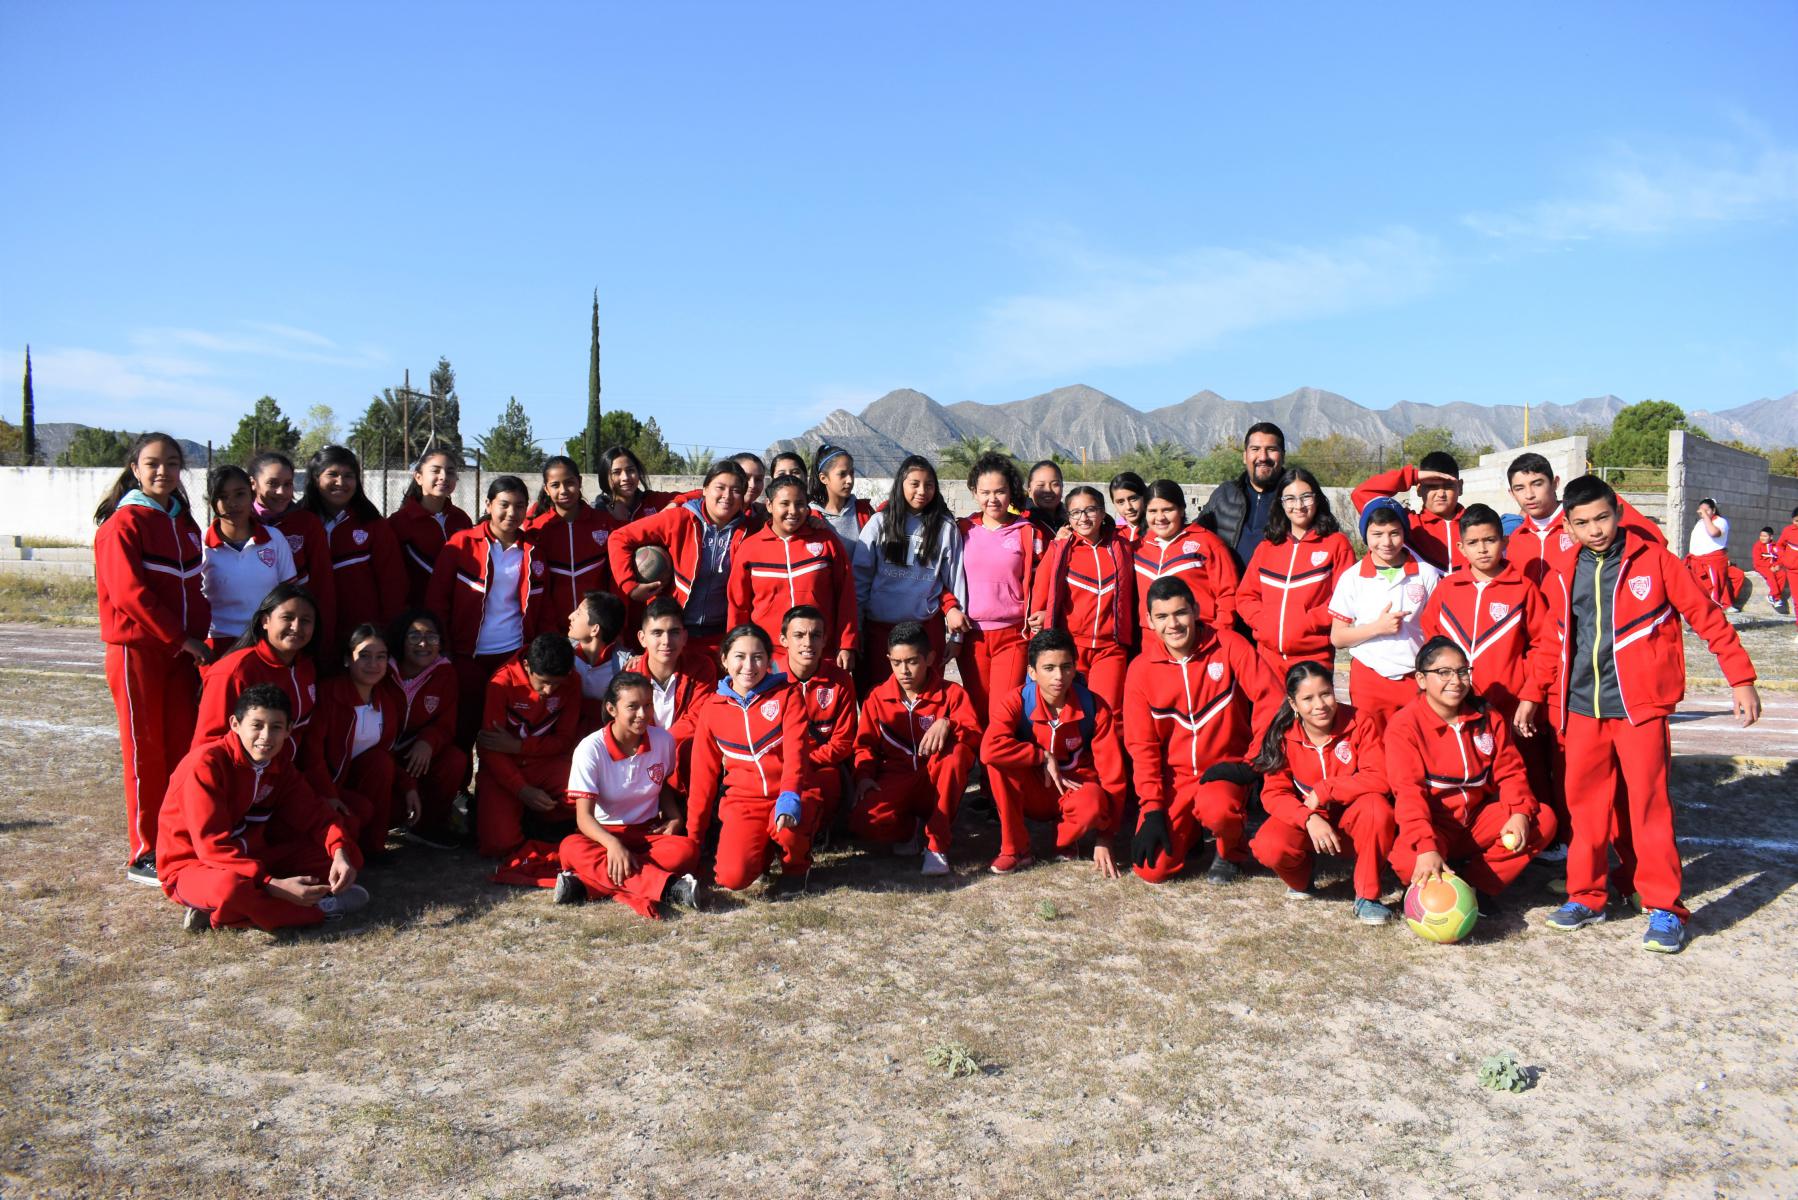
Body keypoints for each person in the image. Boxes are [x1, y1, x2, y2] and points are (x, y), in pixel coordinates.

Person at [1540, 476, 1760, 953]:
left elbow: (1708, 617)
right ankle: (1587, 895)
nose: (1594, 530)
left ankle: (1664, 908)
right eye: (1582, 523)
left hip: (1640, 708)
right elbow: (1552, 639)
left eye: (1601, 517)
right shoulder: (1562, 568)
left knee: (1649, 807)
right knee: (1586, 810)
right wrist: (1533, 696)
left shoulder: (1655, 560)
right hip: (1581, 709)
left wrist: (1740, 678)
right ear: (1568, 525)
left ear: (1617, 511)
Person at [94, 432, 210, 883]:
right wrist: (180, 638)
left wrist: (194, 641)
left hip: (183, 653)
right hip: (139, 652)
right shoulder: (122, 524)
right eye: (153, 463)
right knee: (145, 752)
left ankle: (177, 837)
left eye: (173, 463)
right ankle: (145, 850)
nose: (163, 471)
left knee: (181, 748)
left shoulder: (184, 523)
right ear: (135, 469)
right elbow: (129, 595)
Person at [158, 684, 367, 932]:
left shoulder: (279, 765)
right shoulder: (205, 765)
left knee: (346, 854)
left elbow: (316, 815)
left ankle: (239, 908)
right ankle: (314, 910)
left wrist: (339, 852)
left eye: (276, 727)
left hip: (254, 857)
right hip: (196, 865)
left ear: (289, 730)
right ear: (235, 724)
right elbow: (211, 847)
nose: (266, 736)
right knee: (231, 888)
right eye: (256, 725)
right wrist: (272, 883)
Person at [1416, 504, 1560, 841]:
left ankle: (1538, 841)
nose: (1483, 549)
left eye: (1490, 540)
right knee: (1467, 773)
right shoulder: (1448, 588)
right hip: (1458, 707)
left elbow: (1546, 646)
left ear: (1504, 541)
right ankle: (1469, 840)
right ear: (1461, 547)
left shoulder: (1523, 589)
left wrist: (1530, 695)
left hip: (1509, 706)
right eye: (1474, 542)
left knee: (1522, 774)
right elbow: (1431, 638)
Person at [1123, 578, 1280, 885]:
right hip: (1176, 780)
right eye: (1162, 617)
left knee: (1218, 809)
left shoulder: (1229, 644)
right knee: (1152, 870)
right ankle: (1191, 834)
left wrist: (1252, 763)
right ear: (1149, 621)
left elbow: (1271, 698)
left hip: (1223, 773)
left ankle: (1230, 851)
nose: (1173, 624)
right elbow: (1141, 745)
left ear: (1195, 610)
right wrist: (1153, 808)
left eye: (1180, 613)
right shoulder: (1141, 670)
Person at [1385, 638, 1554, 909]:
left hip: (1477, 821)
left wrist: (1519, 812)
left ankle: (1479, 885)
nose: (1456, 680)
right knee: (1407, 864)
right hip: (1435, 825)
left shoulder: (1488, 716)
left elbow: (1511, 772)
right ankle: (1442, 867)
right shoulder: (1404, 726)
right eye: (1444, 672)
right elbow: (1408, 792)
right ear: (1421, 679)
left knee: (1541, 820)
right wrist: (1427, 846)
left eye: (1463, 671)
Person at [1248, 662, 1398, 924]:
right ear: (1294, 704)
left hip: (1353, 821)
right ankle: (1302, 879)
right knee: (1268, 845)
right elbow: (1274, 793)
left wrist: (1326, 789)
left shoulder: (1360, 721)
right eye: (1308, 698)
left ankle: (1367, 896)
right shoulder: (1282, 734)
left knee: (1377, 808)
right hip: (1310, 822)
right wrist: (1308, 818)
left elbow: (1380, 778)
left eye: (1326, 694)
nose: (1320, 705)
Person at [552, 671, 703, 919]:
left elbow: (661, 783)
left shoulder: (663, 740)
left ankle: (585, 885)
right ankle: (670, 888)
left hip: (647, 834)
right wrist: (612, 844)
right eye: (633, 707)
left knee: (686, 851)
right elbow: (584, 819)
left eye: (647, 705)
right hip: (601, 836)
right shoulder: (590, 749)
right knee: (570, 848)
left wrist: (675, 816)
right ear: (611, 709)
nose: (643, 714)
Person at [981, 629, 1128, 877]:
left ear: (1075, 667)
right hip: (1034, 787)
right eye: (1048, 668)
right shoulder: (1016, 701)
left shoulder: (1094, 706)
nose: (1059, 676)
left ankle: (1065, 838)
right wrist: (1040, 756)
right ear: (1032, 672)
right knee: (997, 764)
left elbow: (1113, 774)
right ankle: (1015, 849)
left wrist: (1106, 837)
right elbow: (988, 749)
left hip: (1073, 786)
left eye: (1066, 667)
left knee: (1092, 802)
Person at [685, 623, 813, 896]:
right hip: (743, 802)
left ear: (769, 660)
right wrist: (694, 839)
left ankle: (796, 867)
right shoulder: (712, 708)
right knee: (732, 878)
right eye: (739, 656)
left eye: (758, 657)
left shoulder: (788, 696)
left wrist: (789, 799)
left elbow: (796, 756)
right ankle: (763, 852)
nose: (748, 665)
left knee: (789, 828)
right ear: (724, 660)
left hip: (788, 793)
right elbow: (702, 778)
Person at [850, 620, 980, 875]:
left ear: (930, 658)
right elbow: (864, 745)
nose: (904, 671)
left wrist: (949, 723)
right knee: (863, 821)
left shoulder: (952, 694)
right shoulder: (877, 697)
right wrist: (863, 776)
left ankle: (936, 845)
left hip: (936, 780)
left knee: (956, 755)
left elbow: (975, 736)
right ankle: (909, 830)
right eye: (896, 663)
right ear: (888, 659)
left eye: (912, 661)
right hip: (896, 778)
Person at [426, 475, 546, 748]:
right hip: (468, 655)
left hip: (514, 655)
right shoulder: (461, 543)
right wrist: (444, 648)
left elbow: (543, 605)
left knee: (504, 729)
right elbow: (437, 600)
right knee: (464, 726)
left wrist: (534, 652)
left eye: (519, 506)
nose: (511, 513)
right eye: (504, 504)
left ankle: (497, 789)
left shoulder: (534, 550)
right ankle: (460, 788)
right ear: (488, 504)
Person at [609, 459, 756, 662]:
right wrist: (630, 586)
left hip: (721, 638)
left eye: (736, 490)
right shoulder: (679, 518)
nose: (727, 496)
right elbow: (619, 538)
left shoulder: (750, 531)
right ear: (704, 489)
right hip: (675, 635)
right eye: (720, 487)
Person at [1327, 499, 1444, 732]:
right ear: (1365, 534)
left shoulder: (1427, 574)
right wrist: (1377, 627)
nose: (1386, 542)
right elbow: (1337, 637)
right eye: (1377, 534)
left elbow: (1439, 631)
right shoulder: (1352, 578)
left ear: (1404, 532)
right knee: (1374, 748)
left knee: (1416, 743)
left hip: (1416, 677)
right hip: (1369, 679)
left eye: (1394, 533)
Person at [853, 455, 967, 689]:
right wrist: (858, 629)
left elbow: (955, 581)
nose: (922, 491)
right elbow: (860, 580)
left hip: (925, 630)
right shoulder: (878, 523)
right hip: (881, 630)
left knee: (927, 700)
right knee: (882, 700)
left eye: (929, 485)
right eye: (914, 484)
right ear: (900, 485)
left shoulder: (945, 528)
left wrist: (957, 637)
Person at [301, 625, 410, 863]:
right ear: (347, 660)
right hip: (324, 785)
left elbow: (384, 757)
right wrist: (328, 794)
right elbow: (312, 754)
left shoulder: (385, 700)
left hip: (356, 780)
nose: (373, 664)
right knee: (357, 812)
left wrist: (409, 786)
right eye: (364, 656)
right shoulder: (328, 694)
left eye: (380, 657)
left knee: (385, 771)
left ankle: (374, 847)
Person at [728, 474, 859, 671]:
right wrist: (736, 649)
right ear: (769, 505)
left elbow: (846, 596)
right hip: (770, 656)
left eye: (800, 504)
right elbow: (738, 605)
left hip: (819, 650)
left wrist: (847, 644)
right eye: (785, 504)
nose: (793, 511)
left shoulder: (826, 542)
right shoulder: (749, 549)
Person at [1236, 467, 1355, 679]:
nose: (1298, 505)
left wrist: (1307, 622)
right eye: (1290, 498)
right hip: (1267, 658)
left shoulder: (1336, 544)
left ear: (1317, 499)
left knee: (1311, 713)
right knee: (1269, 713)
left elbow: (1345, 600)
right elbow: (1245, 596)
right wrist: (1264, 622)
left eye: (1305, 497)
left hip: (1313, 659)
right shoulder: (1267, 547)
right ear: (1281, 503)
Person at [473, 634, 582, 861]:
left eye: (557, 683)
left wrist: (519, 746)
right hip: (504, 770)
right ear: (526, 666)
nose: (550, 690)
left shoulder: (572, 681)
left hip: (545, 764)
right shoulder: (500, 683)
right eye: (543, 682)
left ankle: (541, 820)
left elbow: (564, 740)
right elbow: (490, 749)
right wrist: (521, 789)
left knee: (586, 795)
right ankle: (505, 813)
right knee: (499, 845)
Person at [956, 453, 1048, 722]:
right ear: (974, 492)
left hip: (1012, 635)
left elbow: (1046, 578)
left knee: (1003, 714)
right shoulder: (962, 529)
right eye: (985, 492)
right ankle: (982, 764)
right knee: (976, 711)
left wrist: (1043, 612)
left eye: (1000, 491)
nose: (992, 499)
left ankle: (1001, 763)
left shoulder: (1028, 532)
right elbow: (945, 577)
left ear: (1011, 492)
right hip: (971, 636)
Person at [296, 444, 406, 659]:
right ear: (315, 478)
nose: (341, 482)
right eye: (332, 475)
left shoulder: (373, 524)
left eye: (349, 476)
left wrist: (386, 631)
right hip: (304, 633)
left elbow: (393, 583)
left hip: (359, 637)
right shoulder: (296, 523)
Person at [1033, 484, 1136, 709]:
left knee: (1107, 710)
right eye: (1076, 512)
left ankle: (1105, 746)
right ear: (1068, 518)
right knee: (1071, 710)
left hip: (1110, 647)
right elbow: (1042, 587)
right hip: (1071, 647)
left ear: (1102, 512)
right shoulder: (1061, 548)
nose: (1084, 518)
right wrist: (1040, 614)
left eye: (1090, 510)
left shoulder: (1122, 546)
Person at [1503, 451, 1666, 586]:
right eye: (1520, 488)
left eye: (1537, 484)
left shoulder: (1590, 513)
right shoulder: (1516, 540)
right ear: (1511, 493)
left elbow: (1656, 540)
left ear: (1555, 483)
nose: (1529, 495)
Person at [193, 584, 320, 745]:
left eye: (305, 620)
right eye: (287, 618)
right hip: (250, 769)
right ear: (265, 621)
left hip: (291, 770)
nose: (296, 627)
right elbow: (208, 744)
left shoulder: (306, 666)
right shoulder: (233, 671)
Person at [775, 605, 858, 837]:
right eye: (799, 635)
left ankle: (821, 831)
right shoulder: (769, 676)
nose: (807, 642)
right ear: (784, 639)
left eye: (815, 635)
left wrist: (802, 762)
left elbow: (843, 743)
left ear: (825, 641)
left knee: (829, 780)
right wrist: (788, 765)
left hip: (820, 764)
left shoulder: (840, 681)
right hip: (778, 764)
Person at [387, 608, 466, 848]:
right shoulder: (382, 669)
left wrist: (428, 741)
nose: (424, 643)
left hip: (416, 755)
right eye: (414, 636)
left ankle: (429, 826)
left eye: (432, 637)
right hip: (383, 755)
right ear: (401, 639)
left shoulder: (445, 673)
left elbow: (446, 723)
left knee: (455, 759)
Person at [198, 463, 296, 654]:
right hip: (218, 644)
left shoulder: (274, 538)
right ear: (211, 502)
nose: (232, 503)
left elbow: (289, 595)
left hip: (266, 640)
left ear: (252, 493)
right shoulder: (200, 544)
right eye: (222, 497)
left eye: (239, 494)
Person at [623, 597, 718, 785]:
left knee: (693, 749)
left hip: (682, 760)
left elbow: (697, 719)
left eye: (674, 632)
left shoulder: (702, 667)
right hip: (641, 761)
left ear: (684, 636)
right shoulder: (629, 677)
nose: (666, 641)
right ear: (642, 638)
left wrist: (658, 746)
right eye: (657, 633)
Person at [249, 450, 338, 649]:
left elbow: (323, 583)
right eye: (273, 483)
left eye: (288, 484)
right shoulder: (239, 521)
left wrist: (322, 635)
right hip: (244, 628)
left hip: (293, 633)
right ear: (253, 483)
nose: (282, 492)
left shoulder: (307, 523)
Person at [1133, 479, 1239, 639]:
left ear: (1182, 509)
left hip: (1201, 639)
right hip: (1152, 644)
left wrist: (1220, 634)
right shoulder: (1138, 548)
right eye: (1153, 511)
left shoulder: (1207, 542)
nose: (1160, 517)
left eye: (1168, 510)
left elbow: (1228, 593)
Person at [526, 455, 616, 632]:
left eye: (569, 482)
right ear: (546, 489)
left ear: (580, 481)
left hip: (599, 631)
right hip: (554, 631)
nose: (564, 490)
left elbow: (614, 579)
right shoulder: (537, 530)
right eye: (555, 485)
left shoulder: (604, 523)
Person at [1352, 450, 1465, 574]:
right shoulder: (1408, 524)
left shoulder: (1476, 525)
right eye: (1432, 486)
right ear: (1419, 489)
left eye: (1448, 486)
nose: (1441, 494)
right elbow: (1361, 494)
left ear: (1460, 487)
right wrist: (1412, 476)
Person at [386, 449, 471, 609]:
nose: (444, 477)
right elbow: (392, 577)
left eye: (450, 472)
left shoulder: (462, 519)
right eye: (435, 471)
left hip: (455, 611)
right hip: (417, 618)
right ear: (418, 477)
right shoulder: (398, 522)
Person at [1196, 421, 1286, 568]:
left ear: (1282, 456)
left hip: (1275, 588)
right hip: (1230, 588)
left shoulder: (1296, 499)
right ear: (1245, 456)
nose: (1263, 457)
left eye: (1271, 449)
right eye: (1255, 449)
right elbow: (1196, 535)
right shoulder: (1225, 494)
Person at [568, 590, 634, 734]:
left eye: (578, 613)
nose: (570, 616)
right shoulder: (564, 654)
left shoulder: (626, 666)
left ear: (595, 629)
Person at [596, 445, 681, 528]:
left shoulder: (653, 500)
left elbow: (693, 495)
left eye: (630, 470)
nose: (625, 477)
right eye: (616, 472)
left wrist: (674, 503)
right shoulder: (597, 513)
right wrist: (620, 522)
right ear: (605, 477)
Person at [809, 443, 874, 550]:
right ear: (823, 478)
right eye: (842, 474)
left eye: (851, 473)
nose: (849, 480)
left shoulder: (865, 511)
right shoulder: (810, 516)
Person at [1684, 498, 1741, 610]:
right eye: (1701, 510)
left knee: (1713, 588)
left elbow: (1714, 533)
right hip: (1697, 560)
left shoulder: (1720, 521)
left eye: (1707, 510)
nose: (1704, 512)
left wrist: (1705, 516)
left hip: (1712, 560)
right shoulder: (1700, 523)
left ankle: (1716, 610)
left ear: (1713, 510)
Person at [1751, 526, 1788, 614]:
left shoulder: (1776, 546)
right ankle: (1774, 595)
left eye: (1765, 536)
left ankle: (1775, 597)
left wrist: (1777, 565)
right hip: (1761, 566)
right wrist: (1770, 566)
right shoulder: (1757, 546)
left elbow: (1781, 557)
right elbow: (1757, 560)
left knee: (1782, 574)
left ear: (1771, 537)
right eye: (1761, 536)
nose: (1762, 538)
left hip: (1774, 567)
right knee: (1770, 575)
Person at [1025, 460, 1068, 531]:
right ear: (1029, 489)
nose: (1048, 490)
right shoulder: (1022, 522)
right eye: (1041, 485)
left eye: (1055, 484)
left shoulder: (1073, 520)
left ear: (1062, 486)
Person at [1108, 471, 1149, 544]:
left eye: (1133, 499)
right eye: (1120, 502)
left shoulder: (1158, 531)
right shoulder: (1112, 534)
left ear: (1144, 496)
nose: (1128, 507)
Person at [1779, 507, 1798, 643]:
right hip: (1792, 572)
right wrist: (1783, 559)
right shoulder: (1788, 531)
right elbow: (1780, 546)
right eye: (1797, 521)